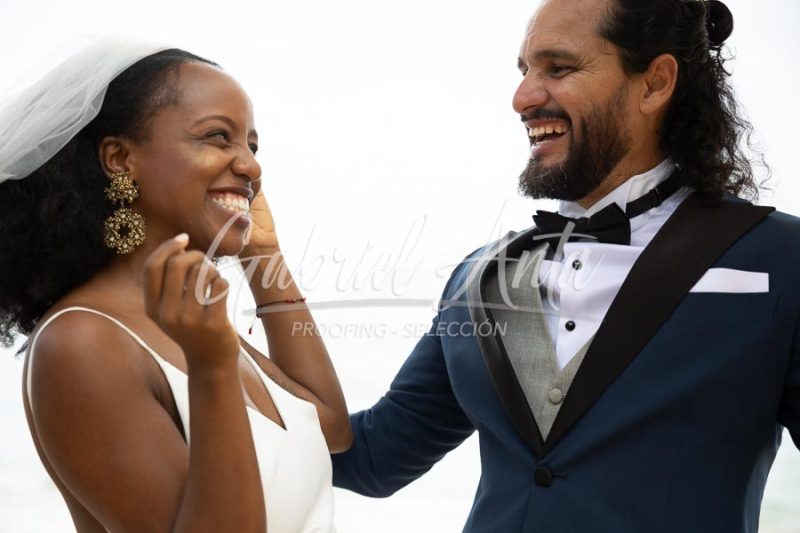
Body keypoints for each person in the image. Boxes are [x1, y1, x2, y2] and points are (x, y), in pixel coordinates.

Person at [331, 1, 800, 532]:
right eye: (524, 70)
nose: (523, 97)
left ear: (655, 83)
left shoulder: (780, 257)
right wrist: (245, 298)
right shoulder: (479, 277)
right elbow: (372, 456)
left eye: (558, 68)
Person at [0, 42, 351, 532]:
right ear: (120, 159)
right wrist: (210, 369)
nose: (251, 166)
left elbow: (329, 426)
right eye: (217, 137)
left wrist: (264, 256)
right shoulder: (83, 343)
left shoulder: (193, 322)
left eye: (251, 144)